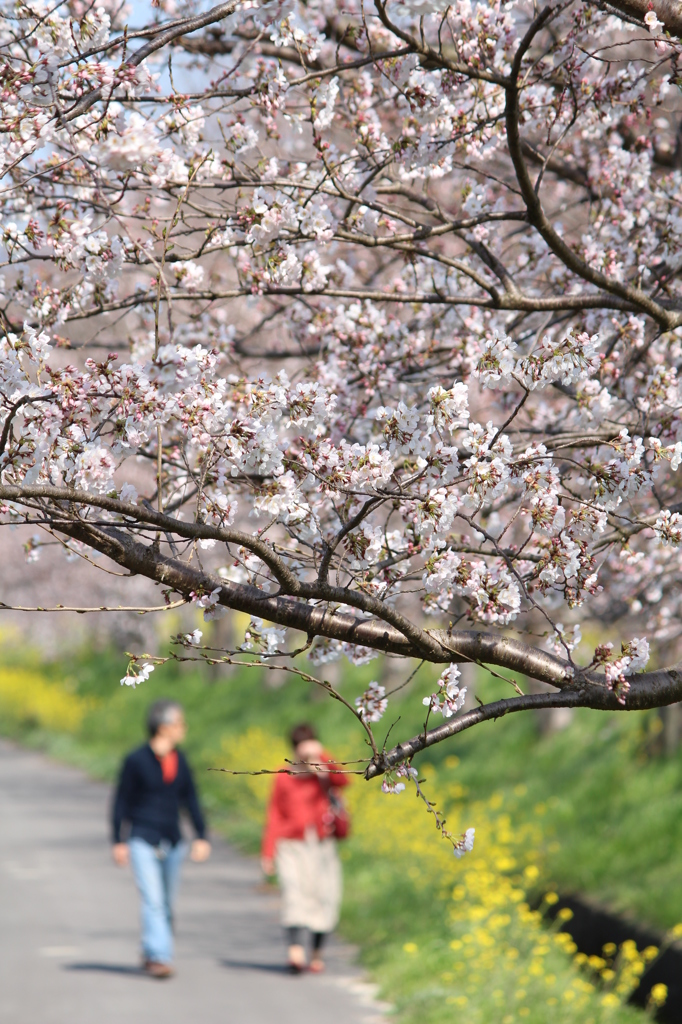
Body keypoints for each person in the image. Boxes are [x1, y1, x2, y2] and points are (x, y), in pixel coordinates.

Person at [111, 699, 211, 978]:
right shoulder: (136, 760)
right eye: (179, 723)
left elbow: (191, 800)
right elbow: (122, 802)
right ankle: (160, 956)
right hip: (142, 838)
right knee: (153, 901)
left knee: (165, 904)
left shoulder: (180, 760)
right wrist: (117, 840)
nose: (183, 728)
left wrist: (201, 835)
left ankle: (151, 947)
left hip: (173, 840)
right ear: (163, 727)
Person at [261, 723, 349, 973]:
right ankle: (295, 951)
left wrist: (323, 759)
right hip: (290, 845)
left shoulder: (323, 770)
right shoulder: (284, 775)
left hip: (322, 843)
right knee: (294, 894)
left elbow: (344, 781)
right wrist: (267, 853)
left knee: (325, 895)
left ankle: (317, 952)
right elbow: (274, 815)